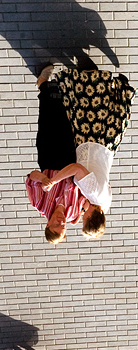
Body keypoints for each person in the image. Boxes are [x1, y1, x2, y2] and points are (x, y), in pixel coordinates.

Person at [43, 67, 135, 238]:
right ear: (91, 217)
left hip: (107, 147)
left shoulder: (105, 204)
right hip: (91, 142)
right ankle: (89, 76)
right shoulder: (92, 192)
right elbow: (76, 168)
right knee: (88, 106)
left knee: (107, 112)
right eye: (85, 220)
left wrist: (85, 205)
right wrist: (54, 181)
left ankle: (117, 87)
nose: (83, 216)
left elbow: (105, 186)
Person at [26, 66, 86, 244]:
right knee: (67, 121)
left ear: (47, 225)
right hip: (68, 160)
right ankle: (65, 84)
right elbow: (87, 193)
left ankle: (43, 84)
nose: (61, 222)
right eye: (63, 227)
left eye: (56, 225)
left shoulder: (40, 204)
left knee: (47, 119)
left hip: (48, 158)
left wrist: (43, 179)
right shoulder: (74, 212)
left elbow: (31, 177)